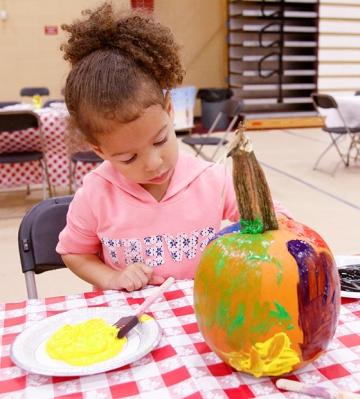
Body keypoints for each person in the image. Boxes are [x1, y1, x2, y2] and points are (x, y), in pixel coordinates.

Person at [56, 2, 289, 292]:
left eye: (160, 140)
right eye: (129, 158)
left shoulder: (211, 180)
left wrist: (274, 223)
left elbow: (268, 217)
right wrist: (111, 278)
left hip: (199, 317)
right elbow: (75, 252)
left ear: (170, 110)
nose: (154, 163)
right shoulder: (95, 194)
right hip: (129, 326)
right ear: (99, 150)